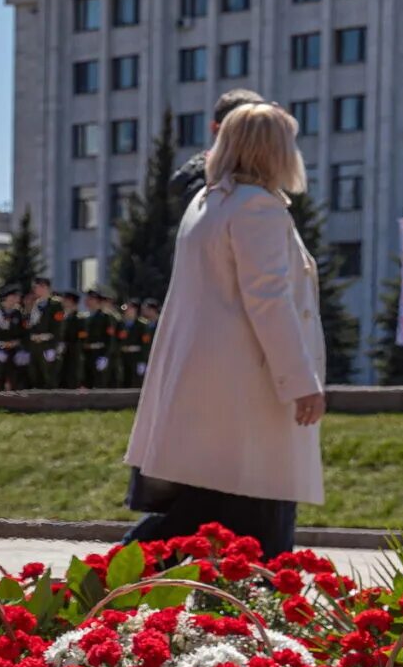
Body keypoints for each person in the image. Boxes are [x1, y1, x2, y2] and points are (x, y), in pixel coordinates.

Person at [126, 103, 323, 556]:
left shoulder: (210, 202)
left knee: (201, 516)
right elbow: (270, 301)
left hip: (207, 391)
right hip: (250, 393)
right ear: (274, 151)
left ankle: (106, 585)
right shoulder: (259, 210)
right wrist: (301, 381)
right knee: (255, 528)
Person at [171, 89, 267, 211]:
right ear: (216, 129)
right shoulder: (207, 185)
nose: (254, 137)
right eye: (242, 128)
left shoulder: (261, 174)